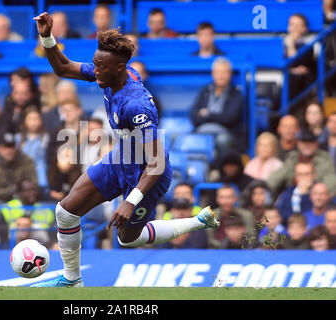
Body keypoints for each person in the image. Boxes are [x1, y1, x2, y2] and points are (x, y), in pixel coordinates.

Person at [32, 12, 219, 287]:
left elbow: (155, 162)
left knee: (126, 239)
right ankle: (72, 280)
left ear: (119, 67)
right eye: (94, 65)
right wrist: (48, 36)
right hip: (122, 157)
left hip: (148, 174)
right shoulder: (108, 73)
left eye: (100, 68)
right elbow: (62, 68)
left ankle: (198, 221)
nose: (94, 72)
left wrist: (130, 201)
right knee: (65, 211)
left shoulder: (137, 105)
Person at [190, 57, 244, 155]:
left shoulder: (235, 94)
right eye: (218, 72)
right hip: (202, 131)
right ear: (213, 74)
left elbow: (229, 118)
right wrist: (216, 116)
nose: (221, 76)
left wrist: (207, 114)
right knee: (182, 139)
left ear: (230, 74)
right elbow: (194, 116)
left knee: (222, 140)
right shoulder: (205, 91)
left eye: (224, 72)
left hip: (225, 133)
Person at [267, 129, 336, 198]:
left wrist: (313, 193)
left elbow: (331, 184)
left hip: (318, 198)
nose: (307, 144)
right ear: (298, 144)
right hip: (292, 196)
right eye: (303, 141)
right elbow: (275, 178)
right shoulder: (292, 159)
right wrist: (262, 189)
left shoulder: (324, 160)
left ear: (316, 144)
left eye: (310, 141)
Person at [0, 179, 56, 248]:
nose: (32, 193)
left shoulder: (47, 211)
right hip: (13, 246)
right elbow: (1, 235)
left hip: (41, 247)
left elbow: (52, 235)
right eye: (27, 191)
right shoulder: (7, 209)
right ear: (19, 193)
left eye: (33, 190)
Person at [0, 133, 38, 203]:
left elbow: (33, 183)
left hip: (23, 199)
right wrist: (12, 190)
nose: (9, 151)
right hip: (1, 200)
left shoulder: (26, 160)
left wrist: (20, 190)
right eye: (5, 148)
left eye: (12, 147)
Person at [206, 184, 254, 249]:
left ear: (235, 198)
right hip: (217, 251)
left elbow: (251, 238)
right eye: (222, 197)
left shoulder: (247, 215)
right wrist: (224, 246)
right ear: (217, 199)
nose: (226, 201)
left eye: (229, 197)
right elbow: (210, 240)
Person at [283, 14, 315, 106]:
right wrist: (291, 70)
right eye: (292, 24)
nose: (294, 28)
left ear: (305, 29)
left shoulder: (308, 46)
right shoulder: (279, 46)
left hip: (299, 87)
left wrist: (291, 45)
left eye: (298, 25)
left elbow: (294, 62)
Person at [15, 107, 50, 190]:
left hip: (41, 174)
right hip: (23, 173)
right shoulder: (17, 138)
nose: (34, 122)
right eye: (30, 119)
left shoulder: (46, 138)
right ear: (24, 121)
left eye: (36, 119)